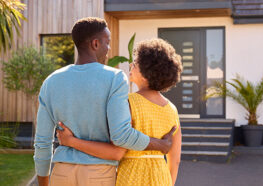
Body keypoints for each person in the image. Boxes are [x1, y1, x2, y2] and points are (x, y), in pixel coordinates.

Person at [33, 17, 176, 186]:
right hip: (98, 174)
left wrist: (43, 182)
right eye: (107, 42)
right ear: (95, 44)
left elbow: (42, 141)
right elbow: (121, 136)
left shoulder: (51, 81)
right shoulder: (114, 78)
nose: (108, 49)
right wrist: (160, 144)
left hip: (61, 174)